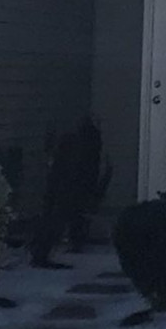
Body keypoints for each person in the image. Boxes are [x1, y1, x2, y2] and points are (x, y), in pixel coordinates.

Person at [30, 114, 106, 266]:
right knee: (61, 215)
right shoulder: (80, 148)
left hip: (67, 187)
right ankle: (45, 251)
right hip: (69, 188)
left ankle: (45, 250)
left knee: (61, 214)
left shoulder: (77, 147)